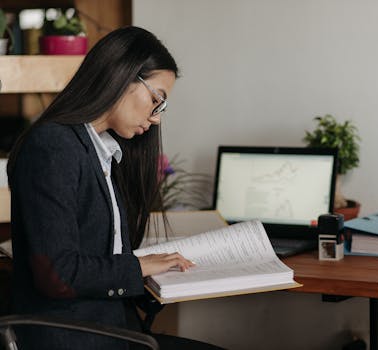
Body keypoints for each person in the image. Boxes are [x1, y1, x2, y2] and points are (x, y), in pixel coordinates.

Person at [7, 26, 222, 350]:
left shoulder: (103, 152)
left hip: (109, 328)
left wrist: (159, 279)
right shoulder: (52, 146)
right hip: (72, 336)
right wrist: (138, 267)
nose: (156, 118)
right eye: (156, 100)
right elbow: (58, 274)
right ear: (122, 76)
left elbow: (99, 253)